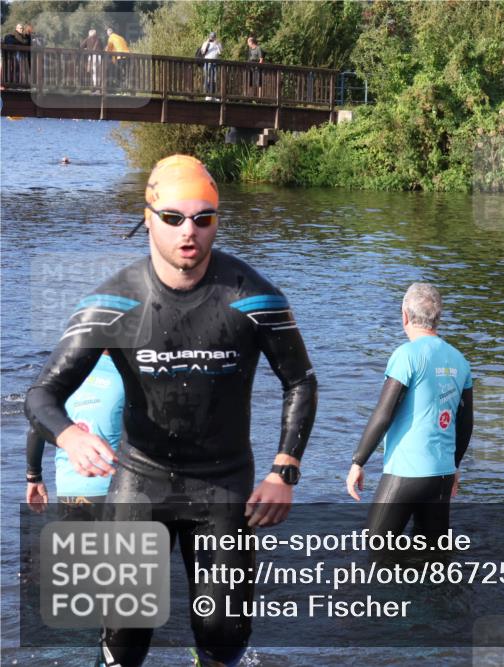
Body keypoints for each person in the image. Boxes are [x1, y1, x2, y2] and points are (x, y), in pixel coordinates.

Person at [24, 154, 318, 667]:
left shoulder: (254, 298)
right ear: (148, 217)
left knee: (223, 636)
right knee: (123, 642)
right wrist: (68, 435)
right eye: (174, 218)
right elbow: (41, 396)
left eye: (204, 219)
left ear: (216, 222)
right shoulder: (113, 302)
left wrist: (283, 471)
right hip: (141, 481)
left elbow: (300, 380)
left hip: (224, 485)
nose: (190, 231)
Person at [346, 283, 474, 542]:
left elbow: (384, 414)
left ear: (404, 315)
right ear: (438, 317)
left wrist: (358, 462)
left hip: (406, 473)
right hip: (442, 475)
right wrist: (454, 466)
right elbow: (466, 423)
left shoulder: (406, 355)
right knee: (433, 559)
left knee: (375, 550)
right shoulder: (460, 360)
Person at [25, 350, 124, 519]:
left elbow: (38, 425)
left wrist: (34, 477)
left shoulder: (60, 375)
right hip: (118, 489)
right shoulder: (130, 375)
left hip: (70, 489)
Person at [198, 31, 222, 97]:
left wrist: (217, 44)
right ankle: (207, 92)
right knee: (207, 77)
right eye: (211, 37)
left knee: (214, 77)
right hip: (207, 62)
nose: (212, 38)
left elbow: (220, 52)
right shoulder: (205, 43)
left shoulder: (218, 44)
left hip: (215, 62)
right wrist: (207, 42)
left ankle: (213, 92)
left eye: (213, 37)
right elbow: (202, 52)